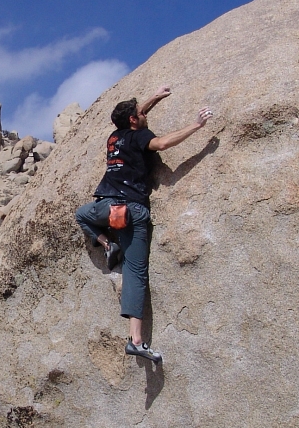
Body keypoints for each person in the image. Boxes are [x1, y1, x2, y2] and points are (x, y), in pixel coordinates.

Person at [75, 87, 213, 364]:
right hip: (132, 211)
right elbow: (162, 144)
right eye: (141, 112)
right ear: (135, 121)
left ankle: (106, 243)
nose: (144, 113)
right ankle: (135, 340)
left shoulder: (114, 138)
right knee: (135, 273)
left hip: (106, 208)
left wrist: (154, 98)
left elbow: (135, 116)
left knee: (81, 214)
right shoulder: (140, 136)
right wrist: (197, 125)